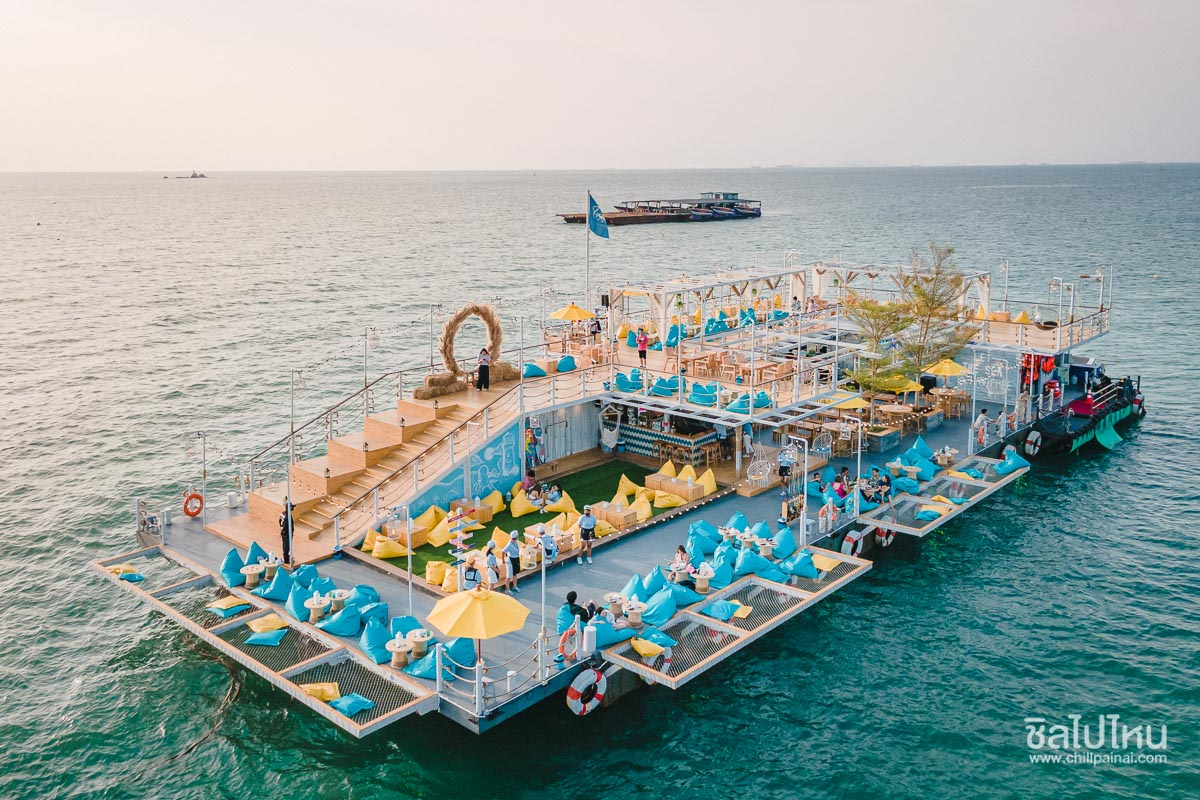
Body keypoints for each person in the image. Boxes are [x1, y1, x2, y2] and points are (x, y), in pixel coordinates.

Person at [278, 501, 295, 566]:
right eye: (291, 507)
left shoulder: (283, 513)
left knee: (285, 545)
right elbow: (285, 525)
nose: (293, 508)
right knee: (287, 546)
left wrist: (281, 528)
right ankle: (286, 560)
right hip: (287, 533)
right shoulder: (288, 516)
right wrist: (282, 532)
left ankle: (287, 556)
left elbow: (279, 521)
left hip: (284, 533)